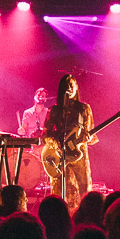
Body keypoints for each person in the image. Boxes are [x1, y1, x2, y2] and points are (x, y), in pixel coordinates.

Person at [43, 74, 97, 210]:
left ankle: (85, 214)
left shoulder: (84, 109)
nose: (70, 88)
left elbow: (91, 133)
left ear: (76, 88)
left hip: (79, 154)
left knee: (83, 187)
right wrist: (54, 143)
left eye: (72, 85)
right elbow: (46, 133)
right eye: (67, 86)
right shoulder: (55, 109)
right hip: (61, 154)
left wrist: (88, 138)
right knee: (61, 189)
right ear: (62, 89)